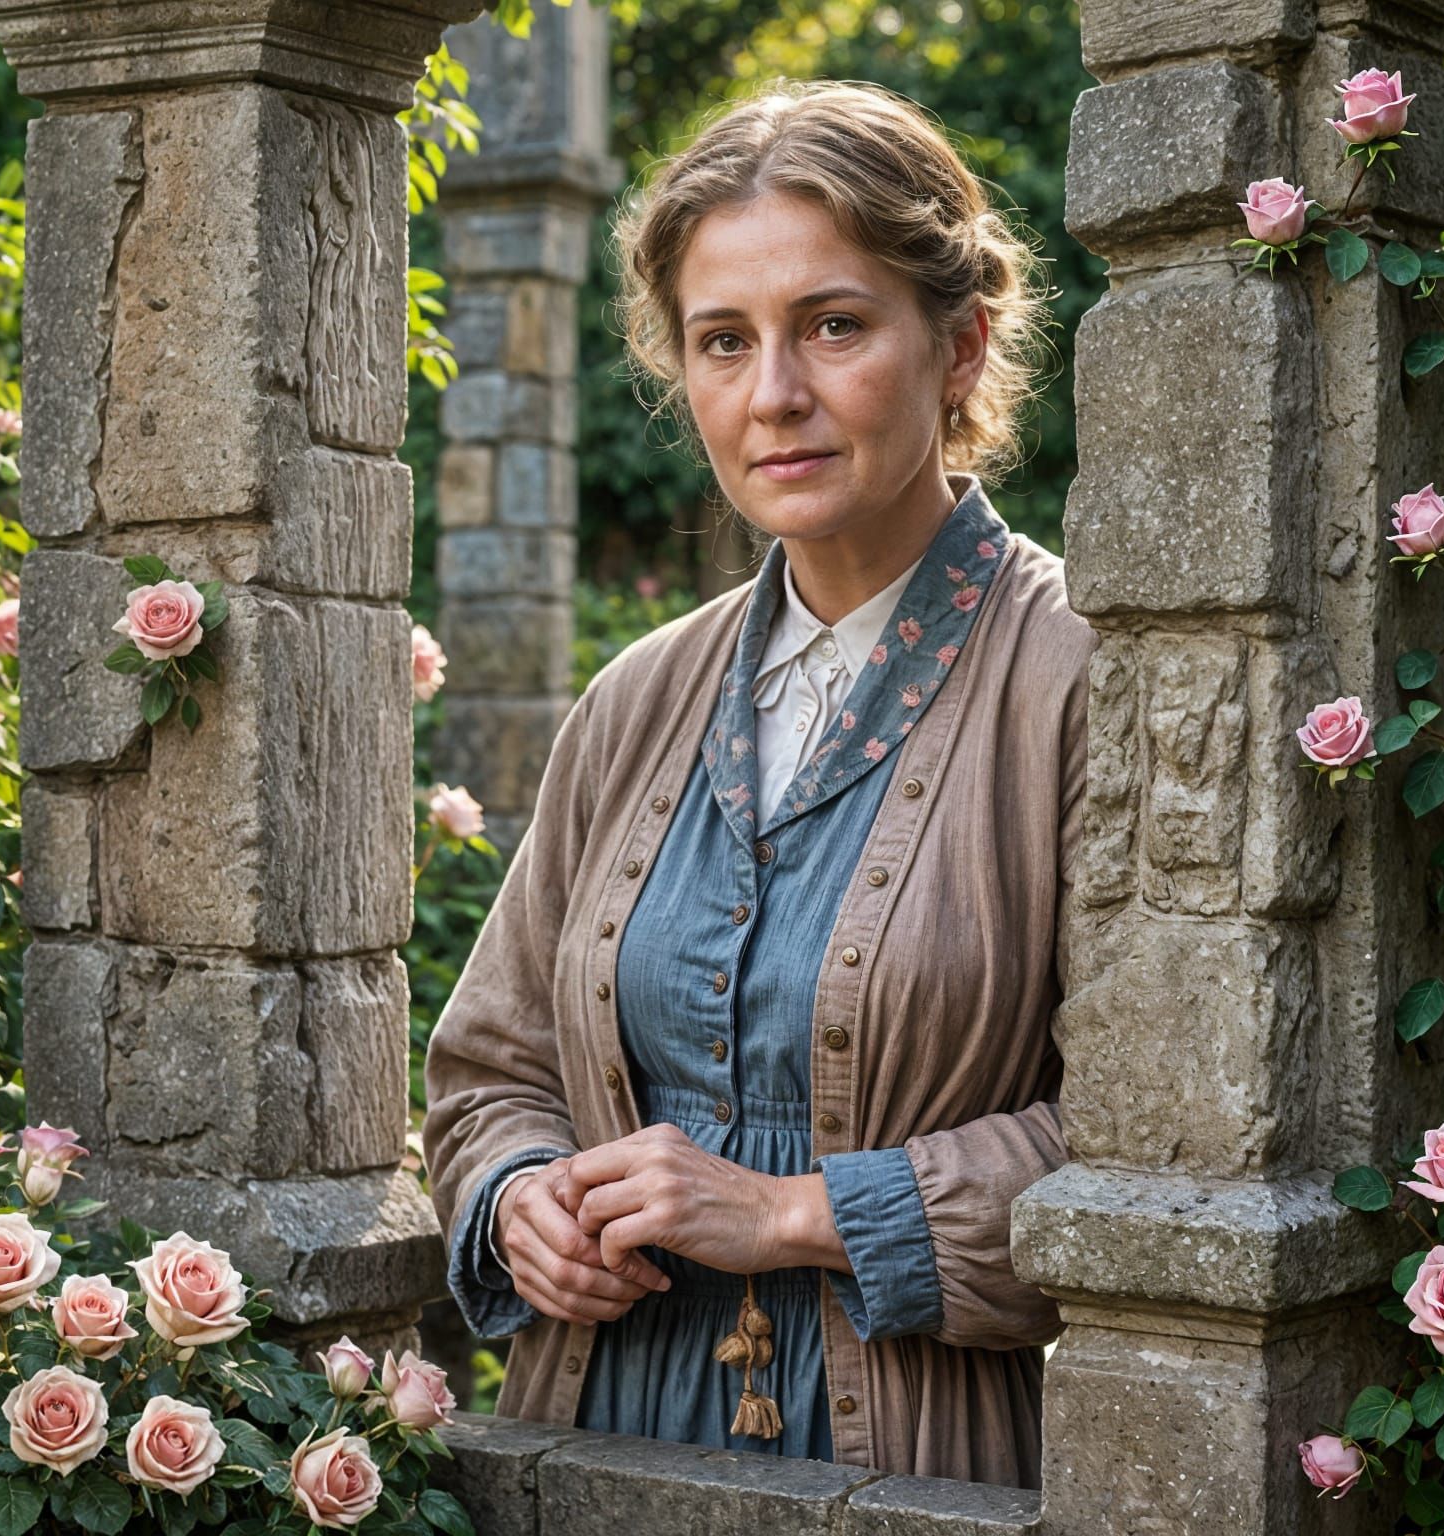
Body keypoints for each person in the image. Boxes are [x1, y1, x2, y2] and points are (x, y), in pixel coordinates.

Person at [422, 76, 1100, 1488]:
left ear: (962, 342)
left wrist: (797, 1215)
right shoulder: (635, 699)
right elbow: (495, 1068)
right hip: (590, 1432)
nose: (774, 395)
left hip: (924, 1459)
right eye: (722, 342)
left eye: (834, 325)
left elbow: (1161, 1145)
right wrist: (517, 1197)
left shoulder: (1083, 683)